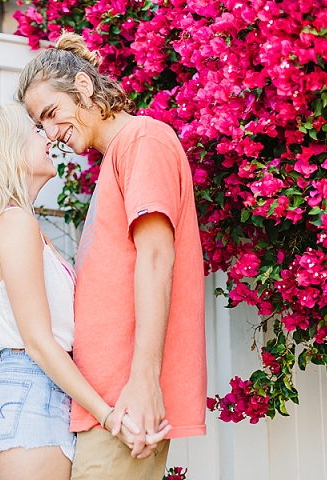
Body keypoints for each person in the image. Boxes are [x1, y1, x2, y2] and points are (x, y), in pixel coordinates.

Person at [16, 32, 207, 480]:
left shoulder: (144, 140)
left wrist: (143, 384)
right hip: (103, 403)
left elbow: (157, 260)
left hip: (125, 401)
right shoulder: (119, 156)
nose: (51, 133)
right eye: (40, 125)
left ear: (83, 87)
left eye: (51, 113)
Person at [0, 104, 171, 480]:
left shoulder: (14, 223)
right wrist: (108, 415)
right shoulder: (14, 223)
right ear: (9, 150)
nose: (47, 137)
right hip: (32, 389)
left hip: (33, 390)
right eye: (34, 132)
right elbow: (38, 341)